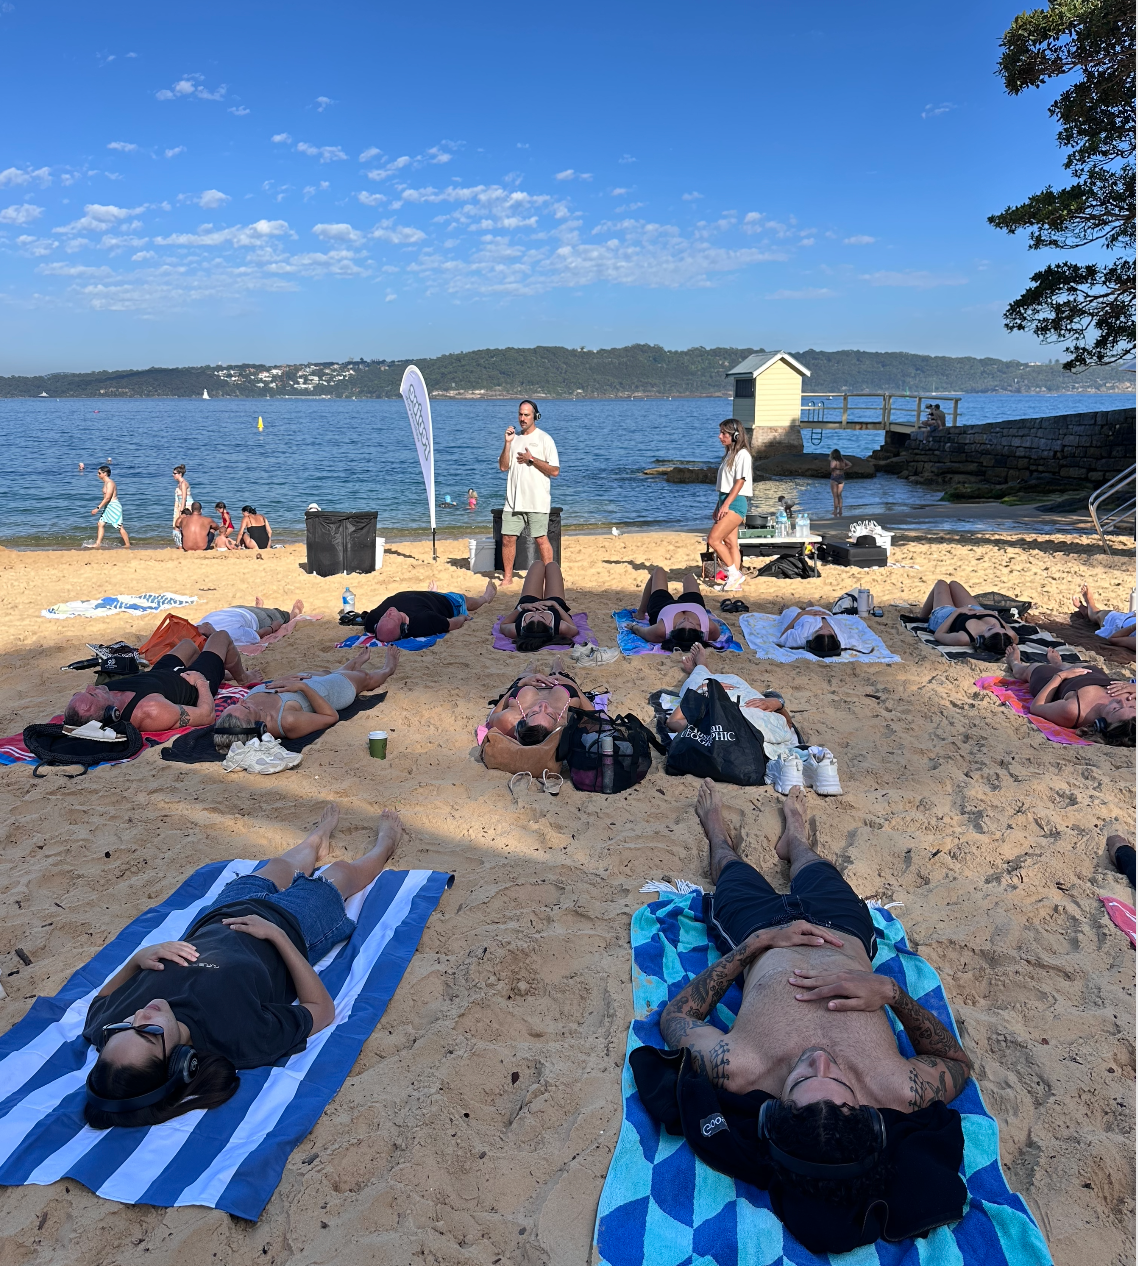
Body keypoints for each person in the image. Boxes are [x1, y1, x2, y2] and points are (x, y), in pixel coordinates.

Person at [647, 780, 972, 1235]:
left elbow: (676, 1018)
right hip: (845, 931)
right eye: (836, 1079)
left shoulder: (739, 1069)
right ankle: (795, 839)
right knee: (815, 866)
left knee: (729, 868)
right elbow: (957, 1062)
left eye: (802, 1078)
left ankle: (718, 832)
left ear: (772, 1109)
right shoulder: (896, 1088)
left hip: (758, 931)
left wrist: (755, 945)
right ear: (865, 1113)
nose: (820, 1060)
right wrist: (893, 995)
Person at [81, 804, 403, 1128]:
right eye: (150, 1033)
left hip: (223, 911)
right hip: (295, 927)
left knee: (279, 865)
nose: (141, 1015)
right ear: (179, 1062)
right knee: (342, 874)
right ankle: (384, 845)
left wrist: (136, 960)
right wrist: (278, 938)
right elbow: (321, 1010)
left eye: (126, 1026)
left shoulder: (110, 1028)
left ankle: (316, 841)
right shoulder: (238, 1037)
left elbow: (99, 1006)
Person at [213, 646, 400, 751]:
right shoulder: (287, 721)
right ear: (255, 726)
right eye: (245, 708)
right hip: (329, 692)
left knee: (328, 672)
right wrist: (302, 686)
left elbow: (270, 688)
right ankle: (388, 668)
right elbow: (330, 717)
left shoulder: (249, 705)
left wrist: (283, 681)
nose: (242, 701)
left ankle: (350, 664)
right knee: (365, 678)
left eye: (239, 703)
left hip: (306, 682)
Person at [63, 629, 250, 731]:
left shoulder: (106, 693)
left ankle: (220, 669)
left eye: (86, 692)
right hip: (190, 682)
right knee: (221, 636)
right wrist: (201, 682)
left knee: (188, 645)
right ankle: (242, 677)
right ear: (112, 713)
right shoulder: (151, 710)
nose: (91, 687)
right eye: (93, 695)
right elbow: (207, 716)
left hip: (160, 674)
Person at [1004, 645, 1135, 745]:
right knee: (1072, 666)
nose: (1121, 702)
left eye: (1115, 709)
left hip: (1055, 682)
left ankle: (1014, 662)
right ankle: (1059, 664)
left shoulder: (1074, 711)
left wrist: (1061, 676)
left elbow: (1037, 707)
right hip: (1093, 674)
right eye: (1131, 706)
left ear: (1101, 723)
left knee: (1027, 670)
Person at [498, 399, 560, 585]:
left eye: (527, 415)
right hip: (513, 501)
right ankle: (508, 578)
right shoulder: (514, 438)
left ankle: (550, 577)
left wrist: (532, 459)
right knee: (508, 539)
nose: (522, 418)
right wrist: (507, 443)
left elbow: (555, 471)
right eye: (520, 414)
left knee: (541, 539)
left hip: (537, 500)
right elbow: (503, 467)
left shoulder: (545, 439)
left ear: (535, 416)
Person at [484, 662, 594, 746]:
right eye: (550, 714)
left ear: (524, 721)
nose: (543, 705)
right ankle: (557, 663)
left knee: (526, 673)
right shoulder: (566, 723)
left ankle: (531, 665)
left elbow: (493, 715)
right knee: (558, 670)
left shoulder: (509, 720)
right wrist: (572, 685)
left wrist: (521, 683)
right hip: (562, 683)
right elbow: (597, 717)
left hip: (526, 683)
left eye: (534, 713)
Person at [363, 580, 497, 642]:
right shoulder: (424, 621)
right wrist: (463, 616)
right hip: (447, 601)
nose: (388, 613)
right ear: (403, 626)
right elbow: (453, 623)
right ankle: (485, 598)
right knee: (464, 600)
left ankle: (432, 593)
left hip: (423, 597)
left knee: (430, 599)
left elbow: (375, 620)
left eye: (384, 617)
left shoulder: (373, 619)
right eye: (390, 618)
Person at [630, 566, 727, 651]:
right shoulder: (711, 630)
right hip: (693, 604)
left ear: (673, 631)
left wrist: (633, 627)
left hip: (662, 607)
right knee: (689, 577)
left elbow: (641, 631)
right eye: (692, 624)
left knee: (659, 571)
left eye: (681, 623)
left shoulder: (661, 630)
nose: (686, 619)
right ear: (699, 631)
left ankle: (640, 613)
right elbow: (717, 629)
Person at [916, 580, 1019, 655]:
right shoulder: (1009, 636)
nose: (994, 624)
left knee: (941, 584)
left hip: (947, 617)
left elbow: (939, 634)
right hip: (975, 610)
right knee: (954, 584)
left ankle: (921, 618)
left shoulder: (964, 638)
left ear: (982, 639)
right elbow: (1013, 637)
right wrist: (993, 615)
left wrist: (956, 612)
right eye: (1001, 627)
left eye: (991, 629)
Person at [709, 419, 753, 593]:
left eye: (724, 433)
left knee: (713, 539)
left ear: (735, 435)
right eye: (720, 432)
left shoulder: (743, 455)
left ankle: (734, 574)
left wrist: (726, 505)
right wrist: (718, 506)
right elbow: (725, 486)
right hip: (726, 501)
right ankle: (735, 583)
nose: (720, 436)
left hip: (735, 503)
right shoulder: (729, 454)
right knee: (730, 542)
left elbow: (739, 483)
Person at [498, 560, 579, 651]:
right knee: (552, 566)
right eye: (542, 617)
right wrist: (555, 605)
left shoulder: (515, 630)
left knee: (537, 564)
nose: (537, 612)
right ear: (549, 626)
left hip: (528, 603)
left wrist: (521, 608)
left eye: (530, 617)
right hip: (553, 605)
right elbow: (574, 629)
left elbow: (503, 624)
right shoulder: (560, 627)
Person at [775, 604, 882, 659]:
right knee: (813, 606)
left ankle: (788, 609)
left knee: (791, 610)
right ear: (835, 637)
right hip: (827, 615)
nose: (823, 628)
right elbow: (856, 641)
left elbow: (783, 636)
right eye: (828, 631)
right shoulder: (844, 640)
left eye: (818, 631)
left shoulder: (801, 638)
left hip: (802, 618)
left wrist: (801, 614)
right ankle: (809, 605)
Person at [198, 598, 305, 646]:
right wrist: (273, 627)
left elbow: (257, 635)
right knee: (279, 616)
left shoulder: (228, 634)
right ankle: (291, 616)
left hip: (249, 615)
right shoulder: (195, 627)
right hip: (232, 611)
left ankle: (291, 616)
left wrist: (273, 627)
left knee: (281, 616)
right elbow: (257, 634)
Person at [1074, 583, 1136, 652]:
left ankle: (1090, 604)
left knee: (1098, 614)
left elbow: (1113, 639)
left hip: (1117, 624)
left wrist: (1134, 626)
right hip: (1128, 618)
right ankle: (1088, 610)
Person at [89, 465, 130, 549]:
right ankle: (98, 544)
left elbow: (108, 498)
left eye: (99, 473)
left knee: (119, 526)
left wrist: (97, 508)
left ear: (105, 473)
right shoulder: (106, 483)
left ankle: (127, 544)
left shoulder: (110, 483)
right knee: (100, 523)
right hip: (108, 506)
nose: (98, 474)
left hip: (114, 506)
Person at [171, 465, 191, 548]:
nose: (173, 475)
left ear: (180, 474)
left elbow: (184, 497)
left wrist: (181, 510)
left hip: (185, 506)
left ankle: (181, 545)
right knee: (177, 525)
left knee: (178, 525)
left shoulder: (183, 483)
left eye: (174, 473)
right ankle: (181, 544)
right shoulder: (179, 483)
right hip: (179, 506)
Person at [829, 450, 852, 517]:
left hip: (834, 477)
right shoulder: (842, 460)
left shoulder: (834, 461)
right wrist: (844, 468)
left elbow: (832, 467)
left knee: (835, 496)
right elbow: (850, 464)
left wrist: (833, 470)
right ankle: (840, 510)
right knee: (839, 495)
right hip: (841, 476)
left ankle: (835, 511)